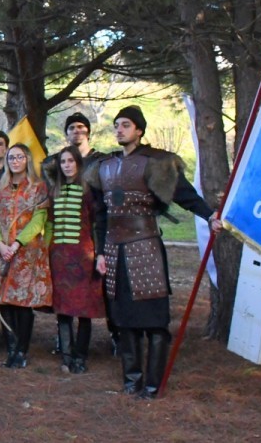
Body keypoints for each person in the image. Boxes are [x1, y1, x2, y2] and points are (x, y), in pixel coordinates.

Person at [85, 106, 218, 399]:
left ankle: (152, 384)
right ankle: (132, 381)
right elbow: (101, 215)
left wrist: (209, 215)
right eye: (117, 125)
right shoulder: (103, 167)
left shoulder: (157, 162)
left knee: (155, 321)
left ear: (139, 130)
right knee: (123, 319)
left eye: (126, 125)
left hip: (146, 246)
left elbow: (185, 195)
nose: (119, 130)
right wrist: (102, 253)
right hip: (114, 250)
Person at [0, 143, 51, 369]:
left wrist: (17, 243)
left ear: (27, 159)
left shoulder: (38, 187)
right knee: (4, 301)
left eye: (19, 157)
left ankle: (22, 350)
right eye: (11, 157)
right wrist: (0, 244)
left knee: (22, 302)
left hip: (26, 252)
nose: (15, 161)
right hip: (2, 252)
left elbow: (39, 218)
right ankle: (11, 348)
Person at [47, 146, 105, 374]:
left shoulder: (89, 190)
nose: (67, 165)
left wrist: (99, 253)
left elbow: (97, 223)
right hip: (59, 257)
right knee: (62, 309)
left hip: (83, 256)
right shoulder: (55, 191)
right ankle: (67, 355)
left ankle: (81, 355)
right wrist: (45, 250)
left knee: (84, 309)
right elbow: (49, 223)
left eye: (71, 161)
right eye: (63, 162)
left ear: (78, 164)